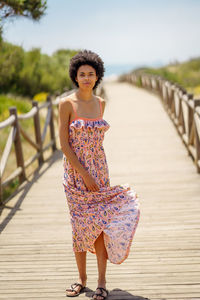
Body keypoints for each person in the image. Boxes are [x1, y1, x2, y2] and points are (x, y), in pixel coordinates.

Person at [58, 50, 140, 300]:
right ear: (75, 76)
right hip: (75, 174)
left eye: (90, 74)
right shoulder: (66, 104)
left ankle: (101, 282)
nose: (86, 78)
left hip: (100, 170)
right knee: (80, 226)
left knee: (100, 227)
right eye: (81, 74)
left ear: (97, 77)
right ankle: (81, 280)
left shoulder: (101, 103)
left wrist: (95, 174)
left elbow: (96, 142)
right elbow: (64, 144)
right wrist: (84, 174)